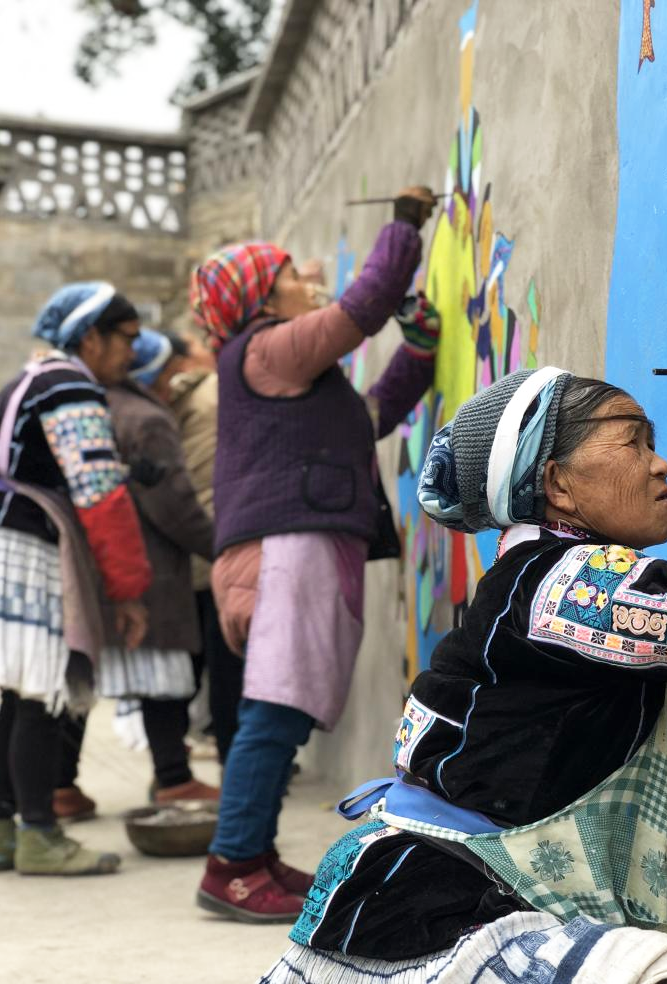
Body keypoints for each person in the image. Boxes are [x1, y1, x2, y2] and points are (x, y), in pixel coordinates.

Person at [262, 341, 667, 984]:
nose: (660, 464)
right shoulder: (567, 589)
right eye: (633, 442)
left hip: (470, 887)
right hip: (429, 912)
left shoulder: (537, 582)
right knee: (656, 967)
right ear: (557, 486)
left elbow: (544, 785)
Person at [190, 187, 444, 922]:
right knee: (274, 711)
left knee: (284, 709)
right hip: (283, 554)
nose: (306, 276)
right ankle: (234, 866)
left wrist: (419, 350)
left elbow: (370, 418)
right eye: (288, 274)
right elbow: (361, 309)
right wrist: (403, 228)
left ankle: (253, 853)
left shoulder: (287, 372)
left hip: (295, 551)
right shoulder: (264, 349)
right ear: (261, 300)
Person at [0, 281, 151, 876]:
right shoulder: (70, 384)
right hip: (21, 541)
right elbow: (100, 495)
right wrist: (128, 591)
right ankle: (38, 835)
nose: (132, 353)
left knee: (18, 693)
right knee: (42, 692)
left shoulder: (31, 378)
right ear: (91, 338)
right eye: (127, 339)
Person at [57, 329, 218, 805]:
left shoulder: (87, 408)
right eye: (169, 372)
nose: (174, 382)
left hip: (85, 566)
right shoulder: (145, 419)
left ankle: (59, 786)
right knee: (163, 677)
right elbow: (174, 505)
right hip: (147, 569)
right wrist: (219, 547)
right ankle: (174, 778)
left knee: (80, 676)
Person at [165, 329, 243, 763]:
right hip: (219, 540)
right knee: (227, 664)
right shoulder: (218, 391)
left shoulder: (175, 400)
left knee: (194, 664)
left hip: (190, 547)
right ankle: (232, 759)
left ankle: (173, 762)